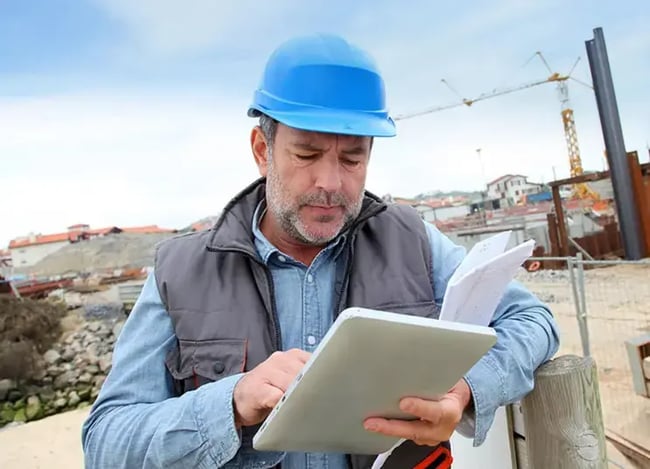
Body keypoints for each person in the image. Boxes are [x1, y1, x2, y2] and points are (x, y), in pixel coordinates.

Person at [81, 33, 560, 469]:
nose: (331, 183)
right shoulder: (178, 271)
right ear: (261, 150)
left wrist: (466, 389)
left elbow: (534, 321)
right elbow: (105, 442)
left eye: (352, 158)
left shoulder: (412, 240)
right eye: (306, 154)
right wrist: (231, 401)